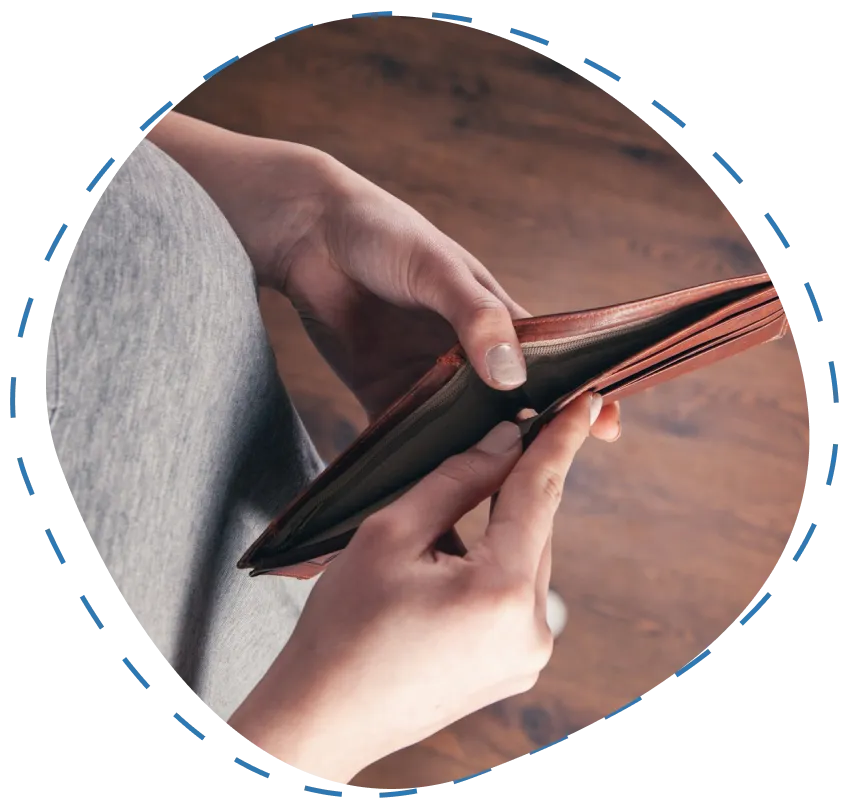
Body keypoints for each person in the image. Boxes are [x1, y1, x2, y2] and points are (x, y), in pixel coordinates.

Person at [41, 111, 621, 783]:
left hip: (270, 504)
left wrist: (301, 212)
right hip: (246, 683)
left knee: (331, 579)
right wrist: (319, 732)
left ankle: (449, 621)